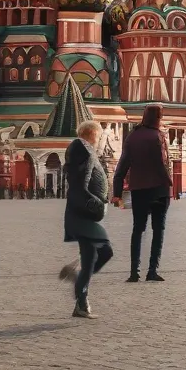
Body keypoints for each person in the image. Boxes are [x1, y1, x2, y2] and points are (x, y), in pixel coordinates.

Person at [113, 104, 173, 283]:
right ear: (158, 118)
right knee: (158, 230)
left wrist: (117, 191)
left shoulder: (132, 137)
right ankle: (152, 271)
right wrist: (169, 182)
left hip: (139, 189)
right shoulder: (158, 136)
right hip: (159, 190)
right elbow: (161, 163)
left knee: (138, 230)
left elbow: (122, 166)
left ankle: (134, 272)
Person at [59, 121, 113, 319]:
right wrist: (95, 204)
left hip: (84, 213)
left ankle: (80, 297)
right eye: (98, 137)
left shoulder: (85, 150)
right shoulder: (83, 150)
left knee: (94, 256)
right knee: (104, 252)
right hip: (84, 214)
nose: (99, 140)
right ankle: (79, 286)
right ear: (92, 134)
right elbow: (80, 183)